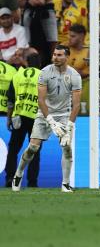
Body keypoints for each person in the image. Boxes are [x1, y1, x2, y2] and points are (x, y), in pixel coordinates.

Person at [11, 45, 82, 192]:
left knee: (67, 149)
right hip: (44, 114)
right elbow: (41, 101)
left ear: (67, 57)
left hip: (64, 115)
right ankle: (18, 174)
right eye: (54, 54)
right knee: (32, 148)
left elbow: (76, 105)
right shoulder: (44, 72)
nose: (55, 57)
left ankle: (65, 184)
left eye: (59, 55)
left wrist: (68, 127)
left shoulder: (74, 75)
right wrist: (51, 122)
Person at [5, 52, 42, 188]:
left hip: (19, 116)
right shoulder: (42, 76)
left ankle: (9, 179)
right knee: (34, 151)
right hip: (36, 117)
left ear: (26, 62)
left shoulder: (17, 75)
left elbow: (10, 100)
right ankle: (32, 182)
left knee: (13, 149)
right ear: (40, 63)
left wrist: (9, 118)